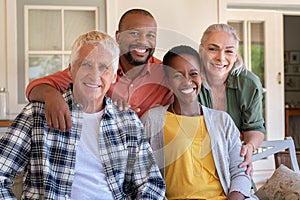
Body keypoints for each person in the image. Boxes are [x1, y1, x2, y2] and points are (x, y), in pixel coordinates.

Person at [0, 31, 166, 199]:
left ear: (114, 76)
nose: (94, 75)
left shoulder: (128, 121)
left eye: (104, 67)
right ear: (71, 70)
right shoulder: (36, 114)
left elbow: (150, 185)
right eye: (86, 64)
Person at [25, 8, 173, 131]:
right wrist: (53, 97)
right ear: (118, 37)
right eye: (134, 33)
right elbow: (36, 87)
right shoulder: (98, 67)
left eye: (150, 35)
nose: (142, 41)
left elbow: (191, 88)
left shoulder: (164, 73)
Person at [141, 45, 258, 200]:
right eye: (177, 76)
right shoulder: (152, 120)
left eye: (193, 74)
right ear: (167, 81)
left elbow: (240, 171)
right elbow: (141, 175)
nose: (187, 81)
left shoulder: (222, 121)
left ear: (201, 76)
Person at [198, 23, 265, 175]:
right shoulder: (190, 81)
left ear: (235, 56)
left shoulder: (249, 84)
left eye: (229, 51)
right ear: (201, 51)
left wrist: (249, 146)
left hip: (233, 159)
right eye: (213, 49)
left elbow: (254, 128)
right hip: (197, 159)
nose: (221, 58)